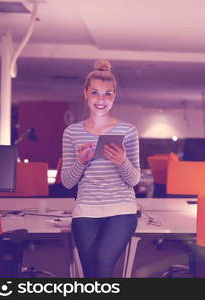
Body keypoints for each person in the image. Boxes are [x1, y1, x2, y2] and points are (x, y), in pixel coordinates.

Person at [61, 59, 141, 277]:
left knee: (103, 261)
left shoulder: (128, 130)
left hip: (121, 209)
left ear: (114, 96)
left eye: (107, 94)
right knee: (91, 273)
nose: (101, 99)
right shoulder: (72, 132)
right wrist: (81, 161)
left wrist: (122, 161)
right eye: (95, 92)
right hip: (86, 209)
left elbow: (134, 180)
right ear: (85, 93)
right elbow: (67, 182)